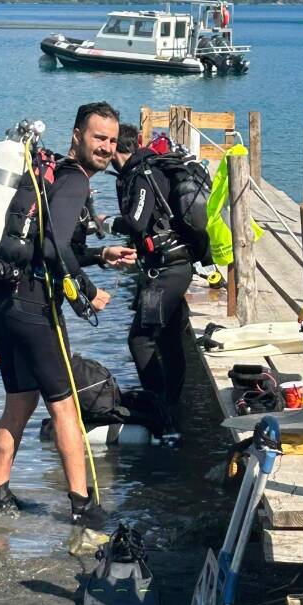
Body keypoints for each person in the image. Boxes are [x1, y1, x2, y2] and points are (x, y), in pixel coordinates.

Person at [0, 102, 121, 525]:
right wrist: (89, 290)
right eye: (99, 138)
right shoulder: (75, 181)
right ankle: (82, 505)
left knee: (20, 401)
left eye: (113, 141)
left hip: (3, 299)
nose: (106, 148)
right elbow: (51, 248)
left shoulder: (54, 172)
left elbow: (56, 242)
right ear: (77, 135)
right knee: (65, 407)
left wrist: (100, 255)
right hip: (34, 306)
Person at [108, 123, 193, 428]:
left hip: (168, 270)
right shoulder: (143, 170)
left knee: (140, 340)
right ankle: (172, 407)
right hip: (173, 265)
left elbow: (135, 221)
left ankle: (158, 405)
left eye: (108, 143)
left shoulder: (143, 175)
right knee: (169, 339)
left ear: (119, 147)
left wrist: (104, 224)